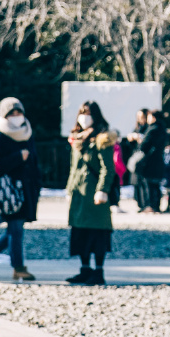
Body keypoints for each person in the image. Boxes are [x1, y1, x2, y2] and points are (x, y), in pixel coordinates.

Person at [0, 97, 40, 281]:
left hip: (26, 190)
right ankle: (18, 267)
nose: (16, 116)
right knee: (15, 229)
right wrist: (17, 157)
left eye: (18, 112)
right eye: (11, 113)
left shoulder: (27, 133)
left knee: (15, 230)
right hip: (8, 192)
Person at [65, 100, 116, 285]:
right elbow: (73, 168)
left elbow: (107, 168)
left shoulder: (103, 139)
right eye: (82, 112)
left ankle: (98, 271)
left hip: (94, 195)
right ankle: (85, 269)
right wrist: (69, 189)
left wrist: (102, 190)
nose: (85, 117)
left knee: (98, 233)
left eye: (88, 113)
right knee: (80, 233)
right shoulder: (76, 138)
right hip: (79, 194)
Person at [128, 108, 170, 213]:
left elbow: (144, 146)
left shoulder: (153, 129)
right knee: (155, 185)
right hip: (158, 161)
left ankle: (149, 206)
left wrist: (138, 140)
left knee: (148, 185)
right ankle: (155, 206)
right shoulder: (162, 128)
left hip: (149, 162)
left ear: (154, 117)